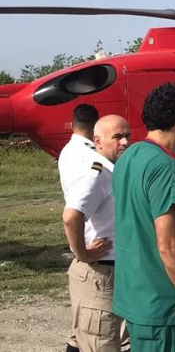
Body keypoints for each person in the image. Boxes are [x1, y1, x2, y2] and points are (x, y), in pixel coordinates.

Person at [112, 83, 175, 352]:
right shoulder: (164, 168)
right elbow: (168, 245)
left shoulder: (128, 157)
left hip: (137, 296)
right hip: (164, 305)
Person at [61, 113, 131, 352]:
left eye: (127, 136)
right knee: (101, 342)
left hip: (112, 270)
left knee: (85, 339)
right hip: (99, 272)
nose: (125, 142)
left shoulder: (113, 172)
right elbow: (71, 216)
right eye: (118, 137)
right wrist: (83, 253)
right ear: (98, 141)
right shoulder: (97, 174)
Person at [58, 104, 99, 352]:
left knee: (84, 316)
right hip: (94, 237)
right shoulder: (93, 157)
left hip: (81, 234)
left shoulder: (67, 151)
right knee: (96, 319)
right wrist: (82, 252)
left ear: (73, 124)